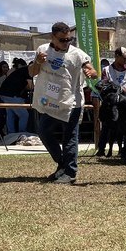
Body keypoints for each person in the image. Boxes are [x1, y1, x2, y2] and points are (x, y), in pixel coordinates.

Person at [29, 22, 98, 184]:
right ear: (52, 37)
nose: (66, 43)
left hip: (71, 103)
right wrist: (38, 62)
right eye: (62, 40)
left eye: (69, 39)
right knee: (43, 132)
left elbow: (93, 71)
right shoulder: (42, 51)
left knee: (70, 138)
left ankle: (70, 172)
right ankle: (62, 164)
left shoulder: (77, 54)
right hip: (50, 103)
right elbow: (32, 73)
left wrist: (91, 72)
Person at [0, 58, 33, 133]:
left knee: (11, 115)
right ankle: (22, 133)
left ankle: (11, 134)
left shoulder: (21, 70)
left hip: (4, 94)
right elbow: (31, 87)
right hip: (12, 95)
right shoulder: (29, 71)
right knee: (24, 115)